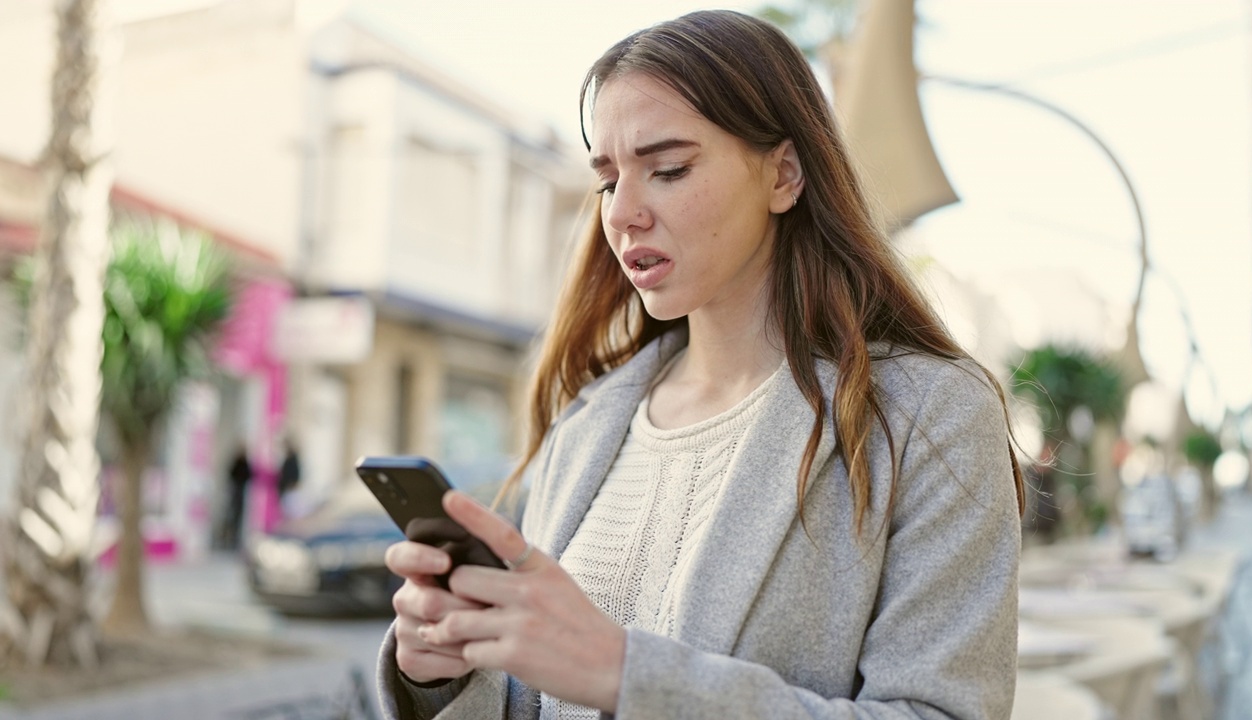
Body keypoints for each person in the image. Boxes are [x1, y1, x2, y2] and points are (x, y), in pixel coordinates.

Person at [376, 10, 1026, 719]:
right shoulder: (589, 424)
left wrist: (629, 675)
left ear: (783, 174)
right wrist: (441, 674)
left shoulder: (927, 416)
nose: (622, 212)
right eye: (606, 180)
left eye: (668, 169)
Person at [223, 445, 252, 550]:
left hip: (240, 492)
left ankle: (234, 538)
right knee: (232, 515)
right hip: (236, 491)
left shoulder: (244, 463)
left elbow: (249, 475)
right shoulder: (238, 462)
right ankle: (229, 537)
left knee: (237, 515)